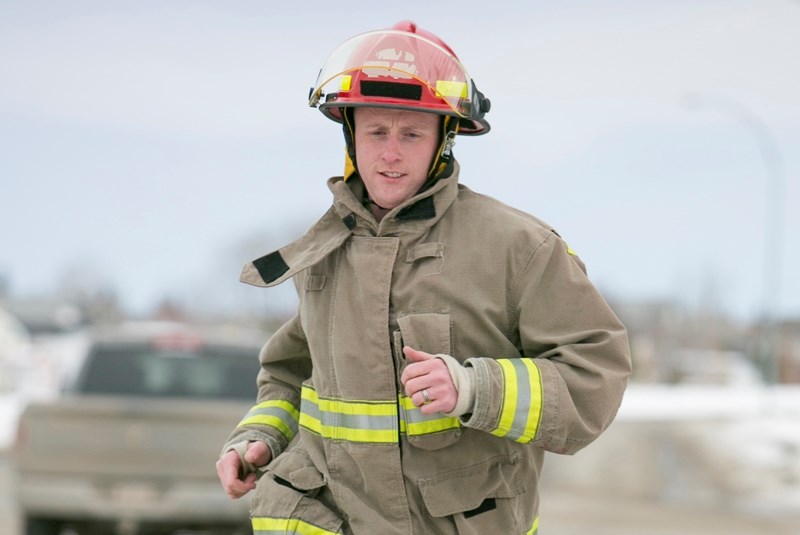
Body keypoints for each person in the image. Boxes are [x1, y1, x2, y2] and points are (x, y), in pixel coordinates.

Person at [216, 20, 631, 535]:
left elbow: (596, 373)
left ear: (444, 141)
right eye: (376, 131)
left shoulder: (519, 247)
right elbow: (291, 373)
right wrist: (260, 438)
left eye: (411, 133)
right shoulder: (324, 250)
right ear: (351, 135)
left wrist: (475, 388)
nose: (390, 153)